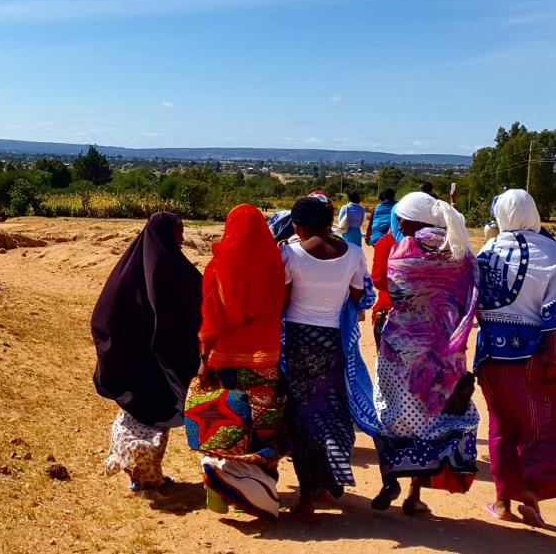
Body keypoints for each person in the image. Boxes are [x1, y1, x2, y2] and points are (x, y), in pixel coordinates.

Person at [474, 189, 556, 527]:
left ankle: (502, 501)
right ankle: (531, 492)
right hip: (534, 356)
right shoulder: (551, 252)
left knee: (502, 426)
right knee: (542, 425)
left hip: (490, 356)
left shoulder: (488, 251)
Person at [371, 192, 479, 516]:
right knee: (431, 419)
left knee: (390, 413)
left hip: (400, 350)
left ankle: (390, 478)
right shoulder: (459, 250)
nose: (399, 224)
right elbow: (468, 295)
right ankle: (415, 494)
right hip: (442, 353)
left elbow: (395, 290)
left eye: (403, 218)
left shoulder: (404, 248)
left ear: (417, 219)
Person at [186, 205, 289, 518]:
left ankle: (215, 492)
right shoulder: (275, 265)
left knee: (223, 421)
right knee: (263, 426)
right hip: (264, 359)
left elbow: (210, 319)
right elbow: (284, 306)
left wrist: (204, 360)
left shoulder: (216, 269)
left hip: (223, 360)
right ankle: (259, 490)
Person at [92, 211, 204, 491]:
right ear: (168, 232)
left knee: (137, 415)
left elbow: (105, 313)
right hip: (163, 364)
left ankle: (139, 472)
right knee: (158, 420)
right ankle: (146, 475)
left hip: (137, 362)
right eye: (180, 230)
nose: (183, 236)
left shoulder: (130, 267)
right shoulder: (173, 265)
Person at [279, 197, 366, 522]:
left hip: (299, 344)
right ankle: (330, 479)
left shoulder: (290, 253)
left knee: (303, 419)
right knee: (331, 411)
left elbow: (283, 301)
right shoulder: (354, 254)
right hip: (333, 344)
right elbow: (357, 297)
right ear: (331, 221)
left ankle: (307, 499)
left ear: (298, 226)